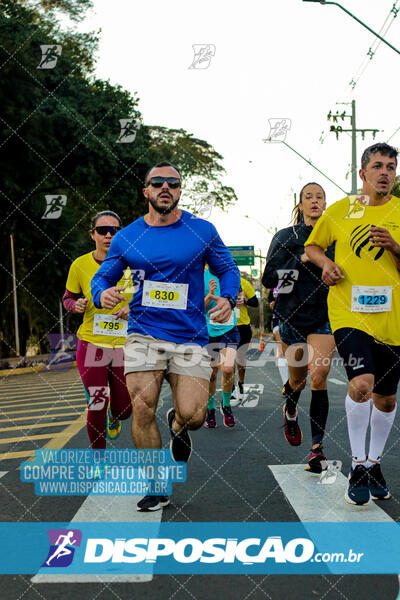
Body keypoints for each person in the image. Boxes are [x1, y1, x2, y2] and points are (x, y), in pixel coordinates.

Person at [91, 161, 240, 512]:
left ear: (179, 191)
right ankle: (157, 485)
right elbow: (103, 276)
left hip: (189, 336)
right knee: (142, 406)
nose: (165, 188)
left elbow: (228, 269)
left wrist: (228, 297)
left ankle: (178, 423)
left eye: (172, 183)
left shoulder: (201, 230)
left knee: (195, 416)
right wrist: (102, 294)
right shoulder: (128, 236)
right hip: (144, 332)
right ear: (146, 191)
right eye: (157, 183)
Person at [305, 143, 400, 505]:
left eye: (391, 166)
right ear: (363, 174)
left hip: (394, 320)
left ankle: (374, 462)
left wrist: (395, 246)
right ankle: (358, 465)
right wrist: (325, 265)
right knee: (362, 384)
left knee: (386, 399)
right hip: (349, 314)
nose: (385, 172)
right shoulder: (342, 210)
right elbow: (313, 247)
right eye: (377, 166)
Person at [263, 183, 336, 473]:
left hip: (325, 315)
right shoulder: (286, 237)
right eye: (309, 197)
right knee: (298, 382)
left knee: (318, 374)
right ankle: (290, 409)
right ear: (300, 205)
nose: (315, 201)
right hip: (292, 315)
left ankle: (316, 449)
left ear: (325, 204)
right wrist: (301, 258)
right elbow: (270, 278)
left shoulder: (335, 237)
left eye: (320, 197)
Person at [63, 211, 133, 458]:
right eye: (102, 230)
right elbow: (68, 298)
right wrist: (75, 306)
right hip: (91, 343)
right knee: (97, 402)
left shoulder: (133, 264)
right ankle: (98, 458)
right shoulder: (79, 265)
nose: (108, 235)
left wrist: (131, 308)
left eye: (114, 230)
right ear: (92, 234)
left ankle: (116, 416)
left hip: (124, 346)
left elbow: (149, 298)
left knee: (125, 409)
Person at [204, 268, 238, 428]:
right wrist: (209, 296)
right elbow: (197, 308)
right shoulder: (200, 276)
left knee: (228, 369)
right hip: (208, 330)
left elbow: (235, 299)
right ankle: (210, 409)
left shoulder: (230, 274)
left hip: (229, 329)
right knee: (211, 374)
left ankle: (226, 406)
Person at [231, 275, 259, 404]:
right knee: (229, 359)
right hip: (227, 326)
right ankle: (230, 388)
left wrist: (244, 301)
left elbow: (255, 302)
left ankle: (240, 384)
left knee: (240, 357)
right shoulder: (220, 282)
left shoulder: (244, 283)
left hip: (243, 326)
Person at [268, 286, 288, 385]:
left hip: (294, 319)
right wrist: (272, 305)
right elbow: (270, 302)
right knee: (281, 350)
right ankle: (286, 384)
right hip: (277, 319)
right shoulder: (273, 286)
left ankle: (292, 380)